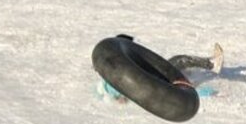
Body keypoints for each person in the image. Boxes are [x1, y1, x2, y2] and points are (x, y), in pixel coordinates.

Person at [94, 40, 223, 102]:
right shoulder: (127, 84)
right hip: (160, 79)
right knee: (179, 61)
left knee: (179, 68)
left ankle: (203, 73)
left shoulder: (127, 88)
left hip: (157, 76)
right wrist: (211, 93)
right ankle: (212, 64)